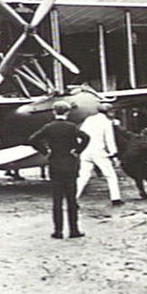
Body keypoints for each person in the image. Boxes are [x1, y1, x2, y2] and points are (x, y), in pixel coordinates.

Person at [28, 101, 90, 239]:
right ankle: (74, 230)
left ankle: (58, 231)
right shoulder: (71, 127)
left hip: (55, 164)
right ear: (67, 112)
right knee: (71, 200)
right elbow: (86, 138)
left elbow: (32, 139)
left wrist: (45, 151)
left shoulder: (48, 127)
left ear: (54, 112)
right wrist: (77, 151)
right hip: (70, 164)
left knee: (57, 200)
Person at [75, 102, 124, 206]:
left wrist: (80, 149)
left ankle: (74, 198)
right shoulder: (106, 122)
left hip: (86, 151)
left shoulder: (89, 119)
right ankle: (116, 198)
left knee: (83, 176)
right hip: (99, 151)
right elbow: (109, 140)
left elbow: (81, 135)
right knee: (110, 175)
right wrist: (114, 154)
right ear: (108, 112)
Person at [119, 127, 147, 202]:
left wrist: (115, 124)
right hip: (136, 162)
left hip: (125, 162)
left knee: (138, 177)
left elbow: (124, 132)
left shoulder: (134, 137)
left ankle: (142, 192)